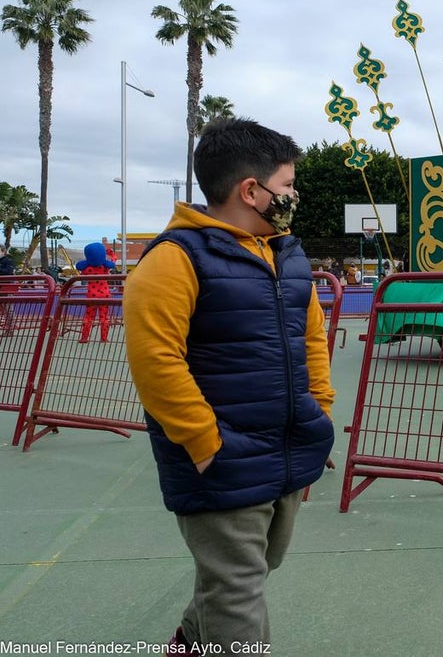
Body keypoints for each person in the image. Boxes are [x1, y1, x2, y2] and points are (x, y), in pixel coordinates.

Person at [123, 118, 335, 654]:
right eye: (286, 187)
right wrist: (203, 442)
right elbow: (156, 362)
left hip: (287, 448)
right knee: (238, 594)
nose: (293, 197)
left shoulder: (285, 254)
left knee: (253, 570)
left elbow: (312, 340)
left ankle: (189, 642)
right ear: (250, 191)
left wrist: (320, 414)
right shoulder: (175, 259)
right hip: (221, 456)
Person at [76, 241, 114, 343]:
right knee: (104, 317)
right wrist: (111, 253)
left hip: (91, 295)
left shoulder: (87, 269)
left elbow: (81, 272)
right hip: (104, 295)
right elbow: (113, 261)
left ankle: (84, 338)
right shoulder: (105, 267)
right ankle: (104, 338)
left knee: (88, 317)